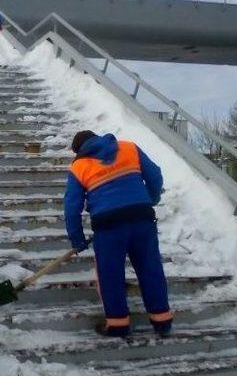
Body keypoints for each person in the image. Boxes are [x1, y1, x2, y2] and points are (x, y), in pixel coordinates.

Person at [64, 130, 173, 338]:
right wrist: (150, 199)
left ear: (79, 151)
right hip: (142, 219)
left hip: (109, 226)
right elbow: (155, 175)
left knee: (110, 274)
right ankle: (162, 320)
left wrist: (77, 239)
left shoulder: (79, 166)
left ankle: (118, 324)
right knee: (151, 268)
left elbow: (71, 207)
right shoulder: (128, 147)